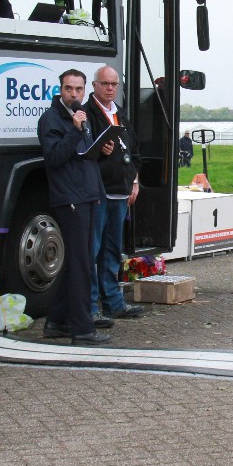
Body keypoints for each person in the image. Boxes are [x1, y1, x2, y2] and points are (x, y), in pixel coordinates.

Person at [36, 68, 110, 346]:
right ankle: (82, 329)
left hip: (87, 195)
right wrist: (75, 131)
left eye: (79, 89)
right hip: (69, 198)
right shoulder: (51, 119)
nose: (74, 94)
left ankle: (57, 321)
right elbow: (54, 157)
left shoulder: (83, 117)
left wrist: (102, 151)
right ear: (60, 90)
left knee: (75, 261)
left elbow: (84, 157)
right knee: (81, 264)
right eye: (69, 89)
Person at [85, 65, 146, 323]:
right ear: (94, 85)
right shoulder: (87, 114)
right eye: (105, 84)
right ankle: (89, 306)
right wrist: (99, 151)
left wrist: (135, 181)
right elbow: (81, 153)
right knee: (92, 251)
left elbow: (134, 151)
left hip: (121, 193)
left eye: (114, 84)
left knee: (112, 250)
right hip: (98, 193)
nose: (110, 88)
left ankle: (113, 302)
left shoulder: (120, 114)